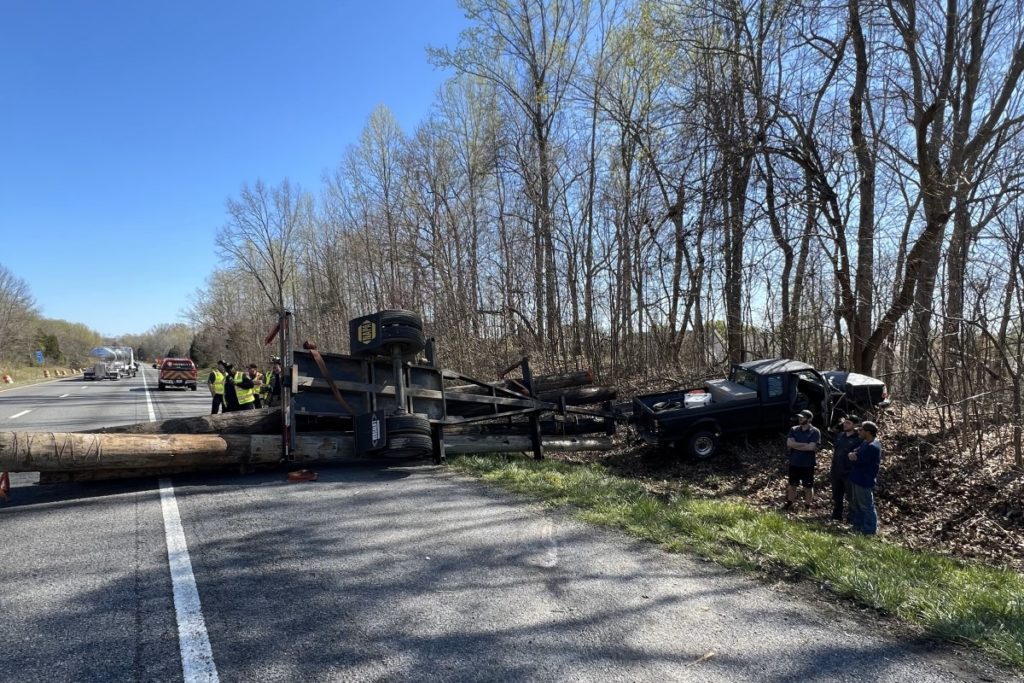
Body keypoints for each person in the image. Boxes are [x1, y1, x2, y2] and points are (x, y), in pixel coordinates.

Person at [847, 420, 882, 535]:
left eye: (861, 430)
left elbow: (859, 460)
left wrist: (853, 457)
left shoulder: (873, 447)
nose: (859, 432)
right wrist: (854, 455)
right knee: (857, 504)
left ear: (868, 432)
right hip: (857, 478)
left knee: (866, 505)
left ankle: (869, 530)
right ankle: (858, 526)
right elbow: (856, 452)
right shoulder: (865, 443)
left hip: (864, 480)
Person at [784, 409, 821, 510]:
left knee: (807, 487)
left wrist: (796, 445)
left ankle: (807, 505)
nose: (800, 419)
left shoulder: (815, 432)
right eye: (800, 417)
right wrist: (805, 444)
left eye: (803, 417)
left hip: (807, 464)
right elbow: (789, 444)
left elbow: (812, 448)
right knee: (792, 485)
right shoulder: (794, 429)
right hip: (794, 462)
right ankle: (790, 503)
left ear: (809, 419)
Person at [830, 415, 862, 521]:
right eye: (845, 422)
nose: (845, 424)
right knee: (837, 495)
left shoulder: (859, 439)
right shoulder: (840, 435)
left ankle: (851, 518)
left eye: (848, 423)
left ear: (855, 425)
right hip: (836, 470)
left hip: (849, 472)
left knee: (851, 497)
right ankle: (836, 515)